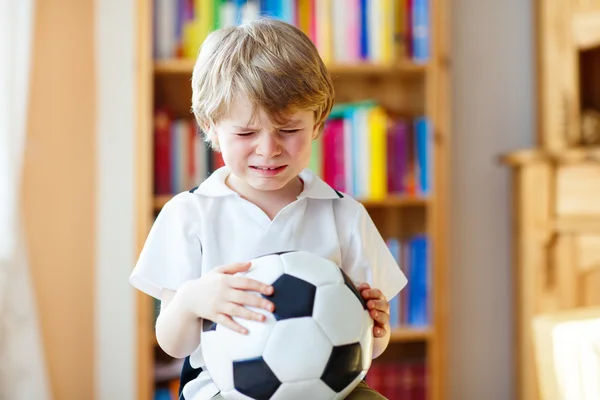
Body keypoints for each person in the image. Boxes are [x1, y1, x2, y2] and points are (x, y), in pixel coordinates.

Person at [129, 17, 408, 400]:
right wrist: (194, 300)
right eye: (246, 133)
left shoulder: (345, 215)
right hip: (222, 391)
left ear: (316, 124)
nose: (268, 149)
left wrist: (378, 327)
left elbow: (370, 348)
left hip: (327, 389)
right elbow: (172, 345)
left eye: (288, 130)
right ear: (211, 127)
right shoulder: (189, 214)